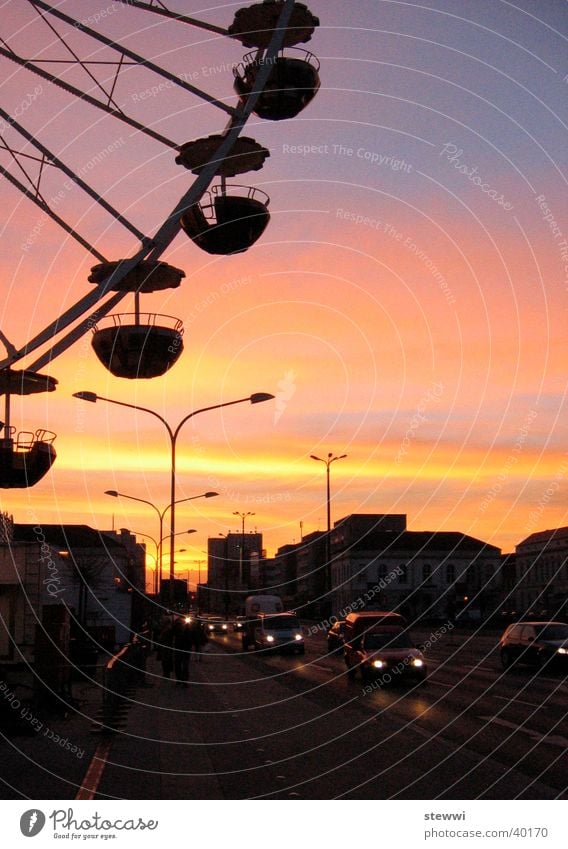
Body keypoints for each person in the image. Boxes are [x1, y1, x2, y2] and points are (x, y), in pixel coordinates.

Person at [173, 617, 192, 686]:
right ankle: (180, 680)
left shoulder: (187, 630)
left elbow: (190, 639)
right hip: (180, 649)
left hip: (184, 650)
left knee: (184, 666)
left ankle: (183, 681)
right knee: (179, 666)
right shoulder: (177, 629)